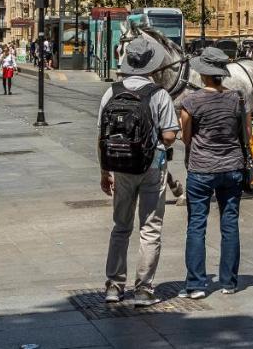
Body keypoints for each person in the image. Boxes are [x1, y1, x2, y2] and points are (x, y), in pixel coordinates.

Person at [98, 34, 180, 307]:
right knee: (150, 227)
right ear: (152, 65)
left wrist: (104, 171)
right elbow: (169, 136)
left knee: (120, 226)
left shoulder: (112, 91)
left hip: (120, 166)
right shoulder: (159, 94)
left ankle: (113, 285)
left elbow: (102, 135)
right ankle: (143, 289)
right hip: (152, 164)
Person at [177, 48, 247, 298]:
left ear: (204, 73)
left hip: (201, 168)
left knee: (197, 225)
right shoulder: (237, 99)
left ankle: (196, 284)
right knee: (230, 223)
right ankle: (229, 282)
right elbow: (244, 132)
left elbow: (185, 138)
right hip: (232, 167)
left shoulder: (191, 101)